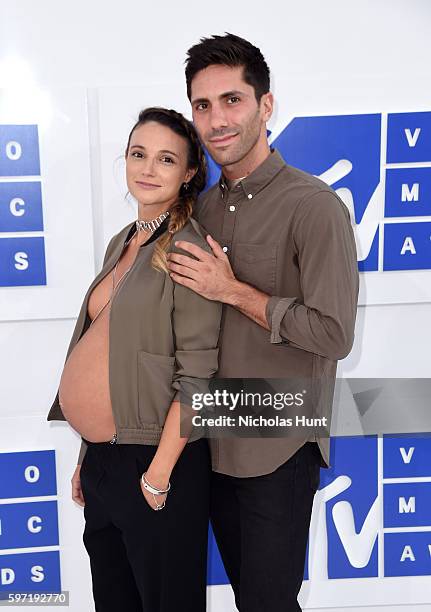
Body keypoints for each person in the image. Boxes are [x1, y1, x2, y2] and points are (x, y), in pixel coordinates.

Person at [166, 34, 360, 611]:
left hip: (276, 442)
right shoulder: (195, 207)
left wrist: (234, 291)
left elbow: (334, 334)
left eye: (232, 100)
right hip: (206, 442)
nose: (216, 119)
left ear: (265, 105)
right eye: (203, 106)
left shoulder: (314, 205)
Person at [47, 107, 222, 612]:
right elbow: (101, 351)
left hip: (155, 463)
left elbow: (197, 379)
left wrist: (158, 475)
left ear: (189, 173)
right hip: (106, 462)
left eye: (166, 159)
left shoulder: (187, 250)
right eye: (138, 153)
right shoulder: (123, 241)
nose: (147, 168)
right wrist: (88, 456)